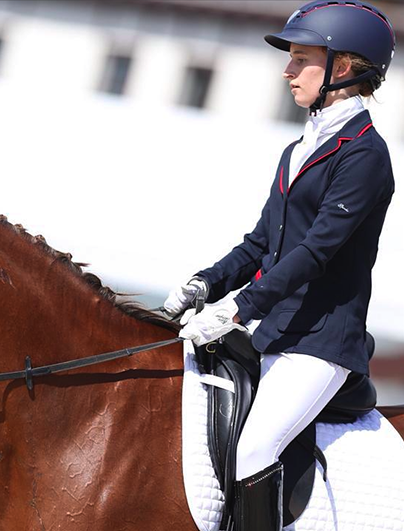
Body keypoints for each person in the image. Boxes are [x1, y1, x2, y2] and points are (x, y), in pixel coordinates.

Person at [163, 2, 396, 530]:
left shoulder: (365, 155)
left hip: (321, 344)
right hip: (276, 332)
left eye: (300, 59)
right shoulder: (299, 148)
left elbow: (315, 252)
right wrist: (203, 286)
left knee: (254, 450)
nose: (287, 71)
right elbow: (261, 243)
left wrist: (238, 310)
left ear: (343, 67)